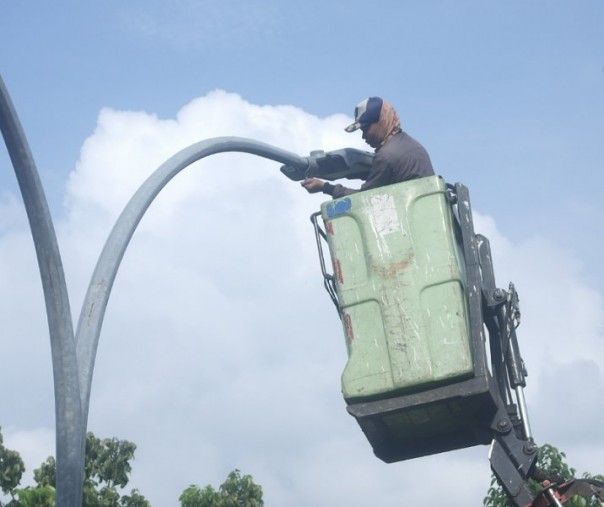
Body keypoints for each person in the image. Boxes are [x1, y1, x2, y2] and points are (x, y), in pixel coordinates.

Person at [301, 97, 435, 198]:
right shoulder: (410, 144)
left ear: (382, 121)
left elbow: (364, 199)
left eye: (366, 129)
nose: (364, 136)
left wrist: (325, 187)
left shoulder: (386, 156)